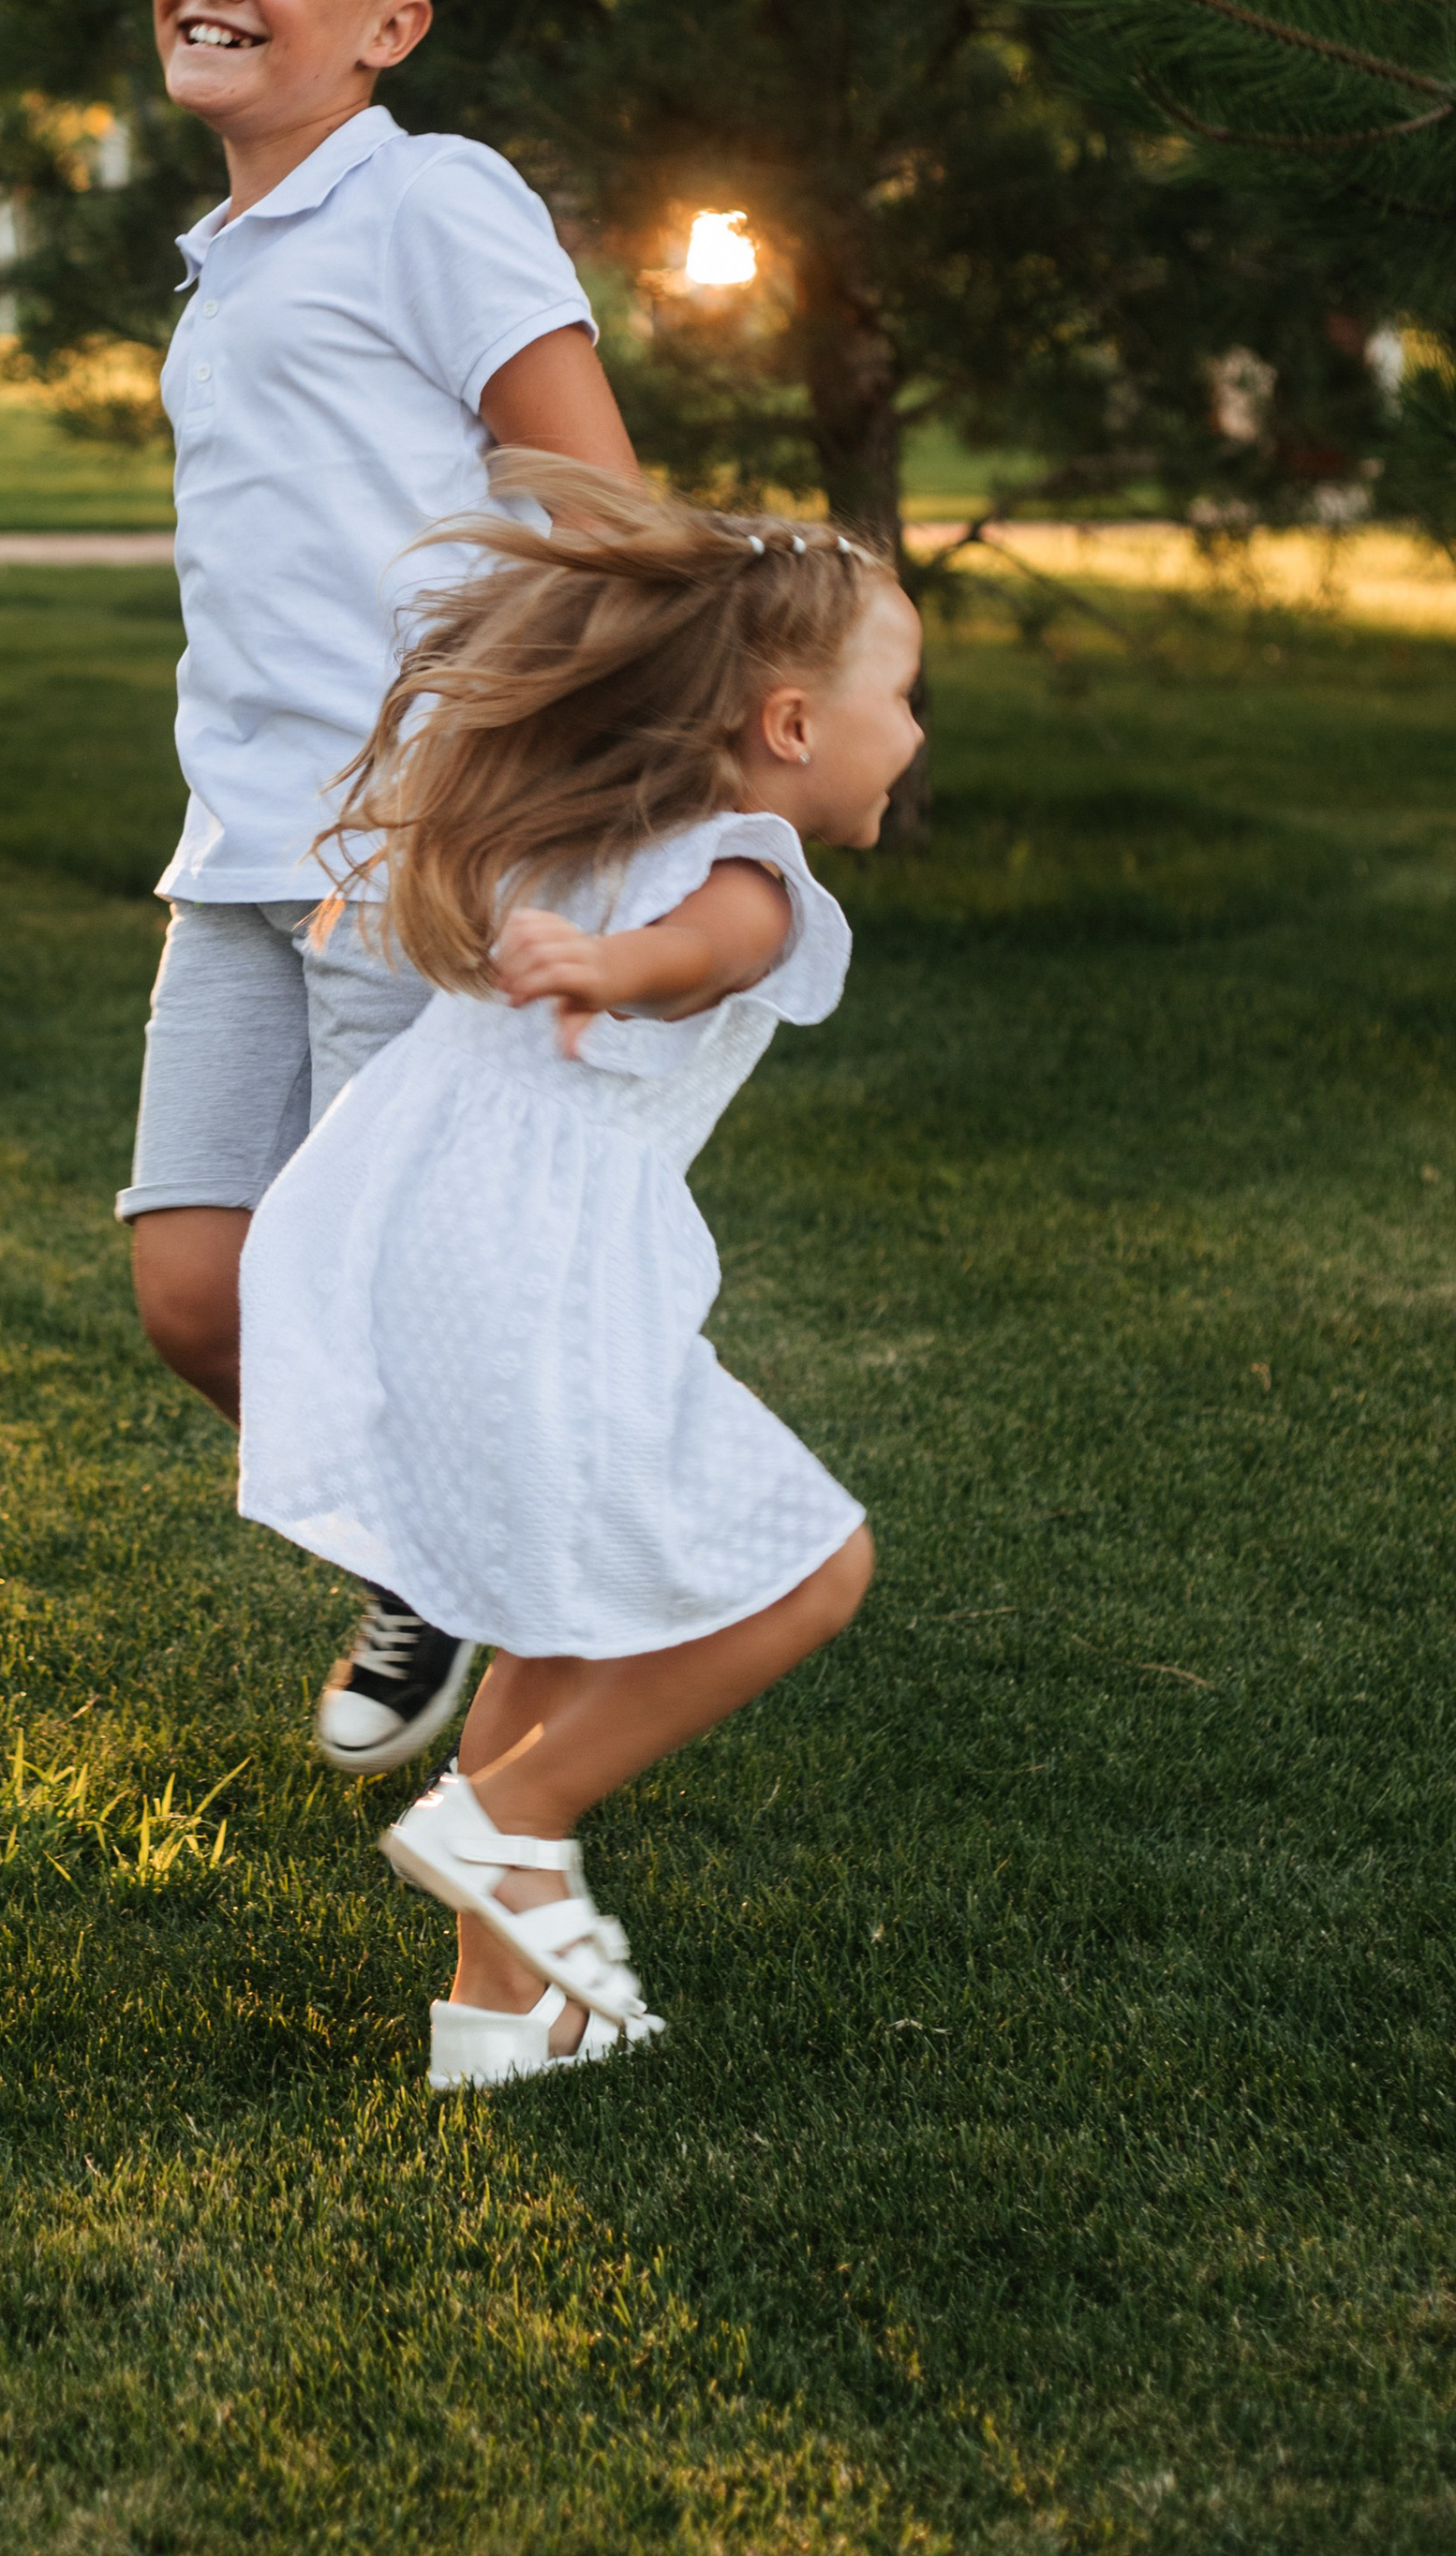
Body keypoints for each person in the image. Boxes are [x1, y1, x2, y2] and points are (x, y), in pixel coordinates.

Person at [237, 465, 921, 2088]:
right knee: (817, 1568)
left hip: (408, 1234)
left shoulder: (610, 829)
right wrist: (616, 966)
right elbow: (710, 957)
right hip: (530, 1267)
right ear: (792, 726)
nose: (917, 730)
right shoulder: (743, 868)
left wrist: (590, 945)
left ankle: (499, 2017)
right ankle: (510, 1818)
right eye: (904, 694)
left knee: (543, 1614)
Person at [122, 0, 637, 1776]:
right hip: (233, 847)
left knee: (362, 1286)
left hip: (404, 846)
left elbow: (593, 504)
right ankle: (464, 1524)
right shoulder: (235, 247)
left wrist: (501, 792)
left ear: (385, 27)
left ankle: (477, 1574)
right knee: (194, 1289)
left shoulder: (428, 200)